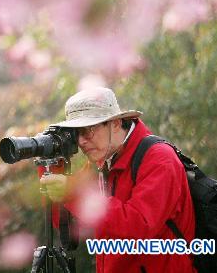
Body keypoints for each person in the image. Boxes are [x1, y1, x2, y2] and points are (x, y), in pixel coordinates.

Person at [39, 86, 195, 273]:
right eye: (76, 133)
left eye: (88, 130)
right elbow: (68, 227)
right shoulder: (102, 161)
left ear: (115, 123)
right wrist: (51, 166)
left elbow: (138, 228)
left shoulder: (160, 159)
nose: (81, 141)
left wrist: (74, 195)